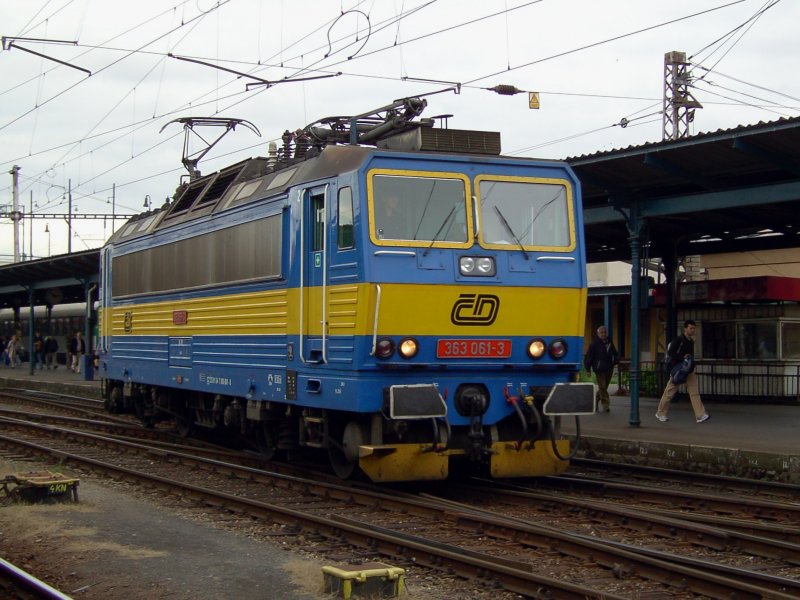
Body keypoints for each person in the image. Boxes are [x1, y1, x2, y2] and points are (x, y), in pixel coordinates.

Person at [656, 320, 711, 424]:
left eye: (694, 328)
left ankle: (700, 415)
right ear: (685, 328)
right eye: (691, 328)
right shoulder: (679, 340)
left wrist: (691, 365)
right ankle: (661, 413)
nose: (693, 330)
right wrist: (682, 357)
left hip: (689, 370)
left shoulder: (691, 341)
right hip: (678, 370)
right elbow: (670, 352)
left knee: (694, 392)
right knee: (669, 392)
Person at [583, 325, 618, 412]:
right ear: (598, 333)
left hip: (609, 368)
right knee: (602, 387)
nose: (603, 334)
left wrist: (615, 361)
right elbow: (588, 357)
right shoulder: (594, 344)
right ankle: (605, 405)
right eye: (601, 332)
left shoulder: (609, 342)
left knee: (604, 388)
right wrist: (588, 369)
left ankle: (594, 401)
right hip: (599, 369)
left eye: (604, 332)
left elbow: (614, 353)